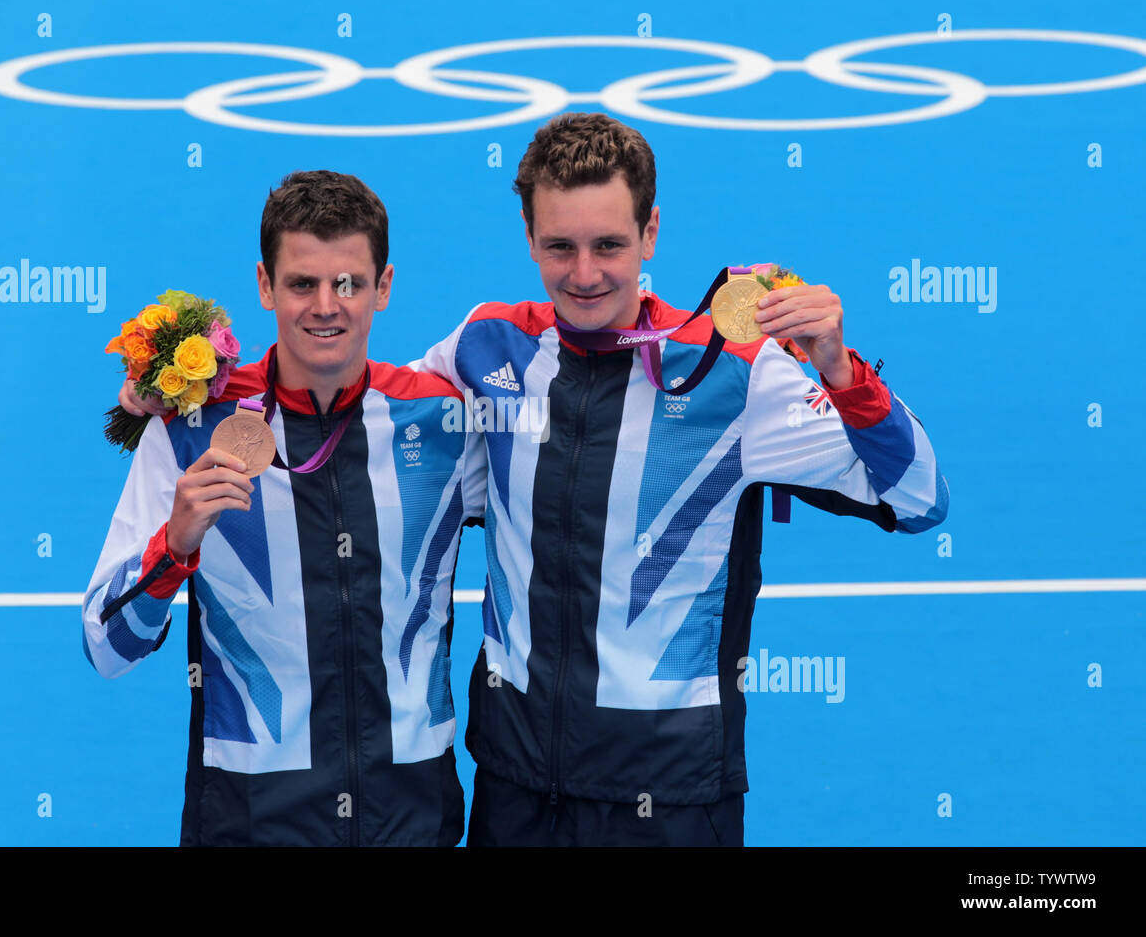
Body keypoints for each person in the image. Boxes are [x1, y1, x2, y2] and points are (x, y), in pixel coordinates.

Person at [121, 112, 948, 846]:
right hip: (514, 793)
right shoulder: (489, 350)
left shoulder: (736, 374)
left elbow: (917, 499)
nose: (584, 273)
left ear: (650, 232)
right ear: (528, 236)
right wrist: (190, 392)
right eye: (560, 246)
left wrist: (845, 372)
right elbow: (354, 410)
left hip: (670, 796)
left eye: (609, 246)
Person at [83, 170, 485, 846]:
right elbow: (106, 646)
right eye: (302, 283)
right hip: (251, 819)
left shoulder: (440, 424)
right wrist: (174, 548)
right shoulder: (188, 432)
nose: (326, 306)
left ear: (383, 287)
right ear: (266, 286)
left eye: (349, 283)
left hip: (412, 816)